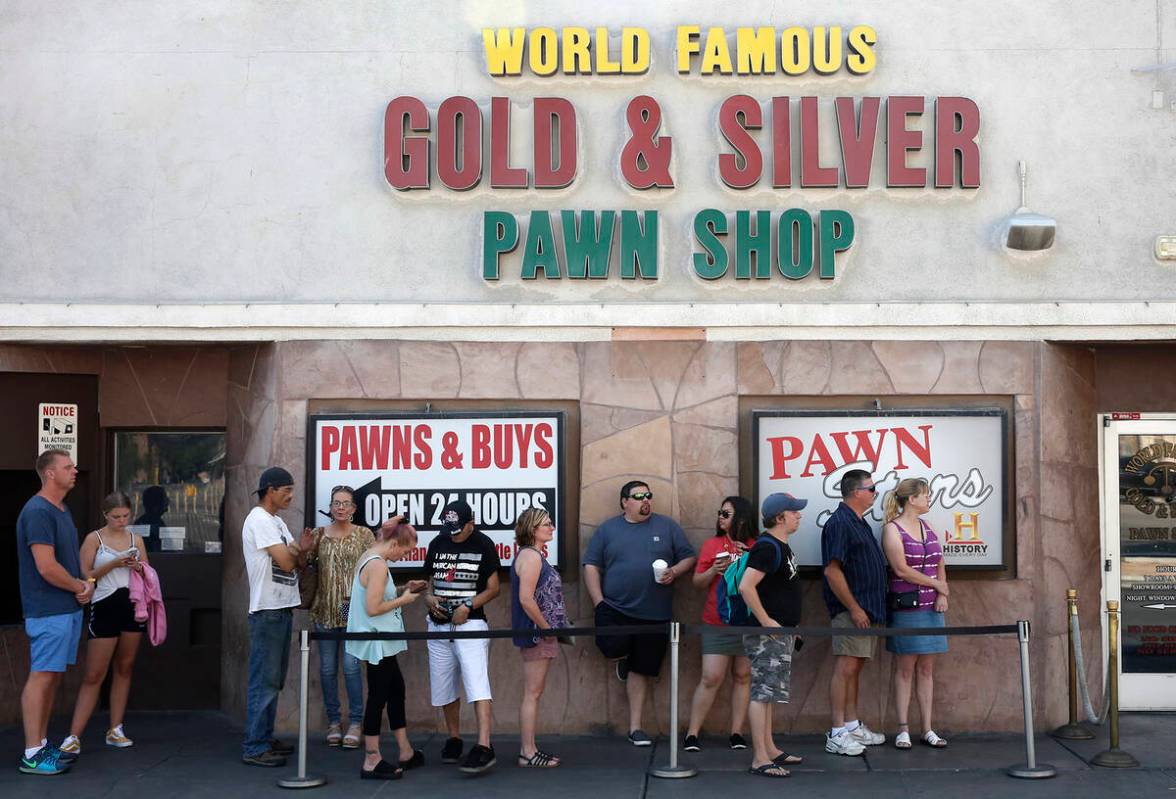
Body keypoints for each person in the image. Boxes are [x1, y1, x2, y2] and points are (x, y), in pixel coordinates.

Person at [584, 480, 696, 746]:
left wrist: (675, 571)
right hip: (615, 609)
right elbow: (591, 566)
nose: (646, 500)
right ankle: (622, 656)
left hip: (654, 613)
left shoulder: (666, 526)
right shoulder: (608, 530)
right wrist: (599, 602)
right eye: (639, 496)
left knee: (642, 670)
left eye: (648, 495)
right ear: (625, 502)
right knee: (611, 648)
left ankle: (635, 727)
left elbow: (688, 557)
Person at [16, 449, 92, 775]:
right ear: (50, 473)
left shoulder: (61, 509)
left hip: (65, 610)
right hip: (49, 611)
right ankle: (32, 754)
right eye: (67, 467)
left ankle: (41, 746)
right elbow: (46, 567)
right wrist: (78, 586)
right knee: (42, 677)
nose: (74, 470)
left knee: (50, 678)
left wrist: (81, 585)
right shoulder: (37, 512)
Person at [60, 492, 149, 756]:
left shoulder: (136, 539)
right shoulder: (94, 538)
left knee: (125, 667)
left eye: (125, 516)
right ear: (105, 515)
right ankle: (74, 735)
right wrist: (113, 563)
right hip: (104, 603)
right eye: (116, 517)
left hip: (132, 604)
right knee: (94, 674)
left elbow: (148, 572)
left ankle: (116, 729)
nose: (121, 521)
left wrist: (137, 566)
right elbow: (85, 574)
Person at [240, 466, 314, 767]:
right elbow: (287, 562)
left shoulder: (277, 522)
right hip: (267, 610)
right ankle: (255, 745)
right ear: (270, 490)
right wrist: (298, 549)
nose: (291, 496)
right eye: (286, 490)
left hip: (281, 607)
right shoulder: (259, 520)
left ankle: (265, 737)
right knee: (265, 680)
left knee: (275, 679)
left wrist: (300, 550)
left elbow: (298, 559)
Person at [346, 517, 428, 779]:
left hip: (381, 641)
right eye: (405, 551)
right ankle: (372, 758)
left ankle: (405, 750)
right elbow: (373, 608)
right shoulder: (378, 565)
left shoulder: (371, 557)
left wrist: (404, 589)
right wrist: (404, 599)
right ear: (394, 543)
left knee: (394, 690)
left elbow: (377, 596)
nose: (404, 557)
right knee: (379, 696)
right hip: (377, 640)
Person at [423, 499, 501, 774]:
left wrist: (468, 606)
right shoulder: (438, 541)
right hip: (438, 624)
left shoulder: (483, 543)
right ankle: (453, 738)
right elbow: (428, 582)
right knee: (444, 685)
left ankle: (484, 745)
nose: (453, 535)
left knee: (477, 683)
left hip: (471, 624)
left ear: (471, 523)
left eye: (459, 529)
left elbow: (493, 588)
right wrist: (429, 597)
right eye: (450, 529)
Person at [739, 493, 807, 778]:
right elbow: (746, 586)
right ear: (780, 517)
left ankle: (770, 748)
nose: (799, 516)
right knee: (762, 693)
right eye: (794, 512)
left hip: (781, 633)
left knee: (769, 694)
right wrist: (767, 621)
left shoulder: (780, 546)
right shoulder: (767, 547)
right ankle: (759, 758)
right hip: (767, 634)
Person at [821, 468, 889, 756]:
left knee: (855, 668)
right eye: (872, 488)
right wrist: (854, 608)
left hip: (868, 611)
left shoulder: (859, 522)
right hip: (853, 611)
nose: (875, 493)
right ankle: (837, 732)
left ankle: (851, 725)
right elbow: (832, 571)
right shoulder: (840, 523)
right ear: (857, 492)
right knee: (845, 667)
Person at [683, 496, 756, 753]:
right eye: (720, 513)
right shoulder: (712, 545)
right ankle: (692, 733)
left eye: (726, 514)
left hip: (748, 621)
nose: (721, 517)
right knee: (711, 677)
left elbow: (766, 583)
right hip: (716, 619)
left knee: (743, 676)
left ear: (742, 518)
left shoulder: (755, 546)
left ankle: (737, 732)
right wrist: (714, 570)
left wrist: (749, 559)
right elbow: (698, 583)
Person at [881, 478, 950, 749]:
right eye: (925, 495)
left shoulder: (927, 526)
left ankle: (927, 728)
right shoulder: (892, 529)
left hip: (933, 609)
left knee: (927, 669)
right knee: (905, 669)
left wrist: (942, 593)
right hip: (907, 608)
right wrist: (936, 585)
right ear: (912, 499)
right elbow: (900, 569)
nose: (929, 499)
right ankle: (903, 729)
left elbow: (940, 561)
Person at [304, 485, 374, 748]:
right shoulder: (319, 534)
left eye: (346, 503)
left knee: (351, 667)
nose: (341, 507)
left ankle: (356, 721)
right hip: (324, 607)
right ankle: (334, 721)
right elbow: (305, 564)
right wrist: (300, 550)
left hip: (352, 609)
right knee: (326, 668)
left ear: (354, 509)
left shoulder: (364, 535)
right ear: (331, 507)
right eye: (336, 503)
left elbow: (375, 566)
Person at [511, 507, 569, 768]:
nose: (552, 527)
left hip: (538, 633)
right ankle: (528, 752)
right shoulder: (532, 557)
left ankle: (530, 749)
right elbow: (526, 599)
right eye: (547, 524)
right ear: (533, 529)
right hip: (536, 635)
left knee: (534, 692)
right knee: (532, 693)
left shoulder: (532, 555)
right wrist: (546, 628)